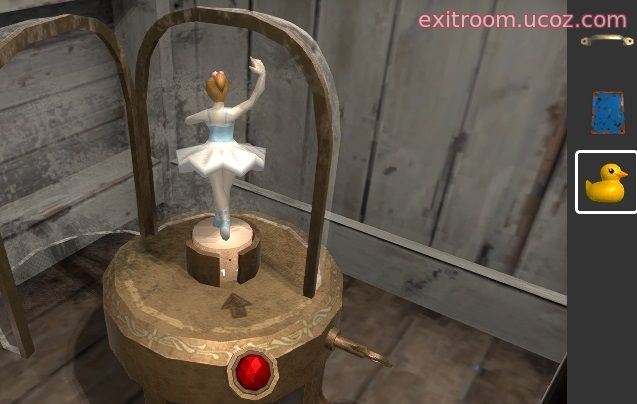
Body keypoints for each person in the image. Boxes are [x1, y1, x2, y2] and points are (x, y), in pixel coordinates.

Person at [176, 57, 266, 240]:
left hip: (212, 152)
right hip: (232, 151)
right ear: (226, 90)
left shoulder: (207, 114)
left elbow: (188, 120)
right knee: (225, 188)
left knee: (217, 187)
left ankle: (224, 220)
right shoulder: (232, 112)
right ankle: (219, 217)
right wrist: (262, 74)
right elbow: (254, 98)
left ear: (208, 92)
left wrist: (194, 118)